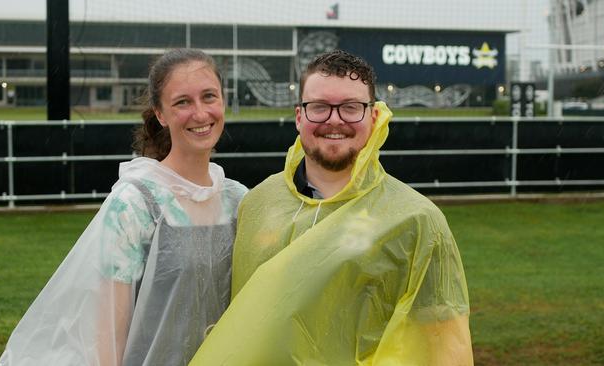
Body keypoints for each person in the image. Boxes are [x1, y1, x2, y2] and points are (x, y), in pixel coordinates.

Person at [190, 50, 473, 365]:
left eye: (351, 108)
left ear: (374, 116)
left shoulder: (416, 221)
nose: (334, 120)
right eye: (320, 107)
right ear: (300, 117)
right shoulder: (258, 202)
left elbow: (439, 344)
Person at [0, 48, 247, 366]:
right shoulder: (134, 205)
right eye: (182, 101)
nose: (199, 113)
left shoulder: (238, 201)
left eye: (209, 96)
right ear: (160, 114)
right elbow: (107, 333)